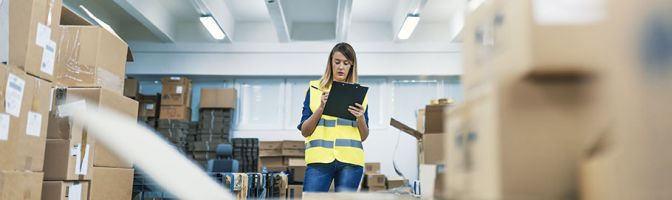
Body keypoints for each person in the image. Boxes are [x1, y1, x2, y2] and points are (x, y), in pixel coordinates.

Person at [297, 42, 369, 192]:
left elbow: (363, 136)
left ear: (352, 66)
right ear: (330, 63)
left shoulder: (360, 95)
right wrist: (321, 108)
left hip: (351, 161)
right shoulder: (314, 89)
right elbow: (305, 131)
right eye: (337, 62)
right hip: (319, 160)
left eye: (346, 63)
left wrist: (360, 117)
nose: (341, 67)